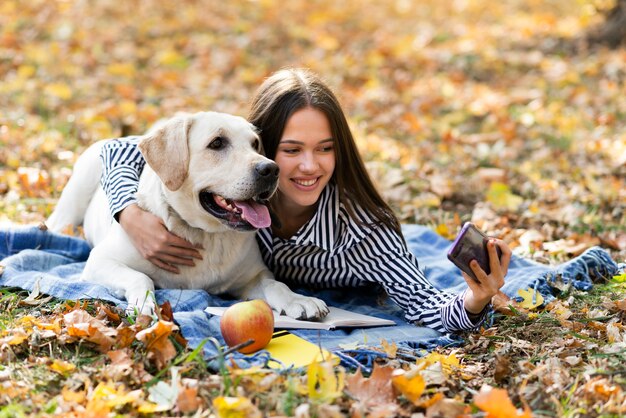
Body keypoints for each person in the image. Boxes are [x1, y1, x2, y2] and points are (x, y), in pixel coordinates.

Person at [99, 68, 512, 333]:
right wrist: (127, 213)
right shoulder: (244, 197)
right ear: (271, 153)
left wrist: (474, 300)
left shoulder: (364, 232)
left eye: (325, 149)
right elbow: (118, 149)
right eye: (292, 150)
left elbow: (423, 302)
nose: (309, 167)